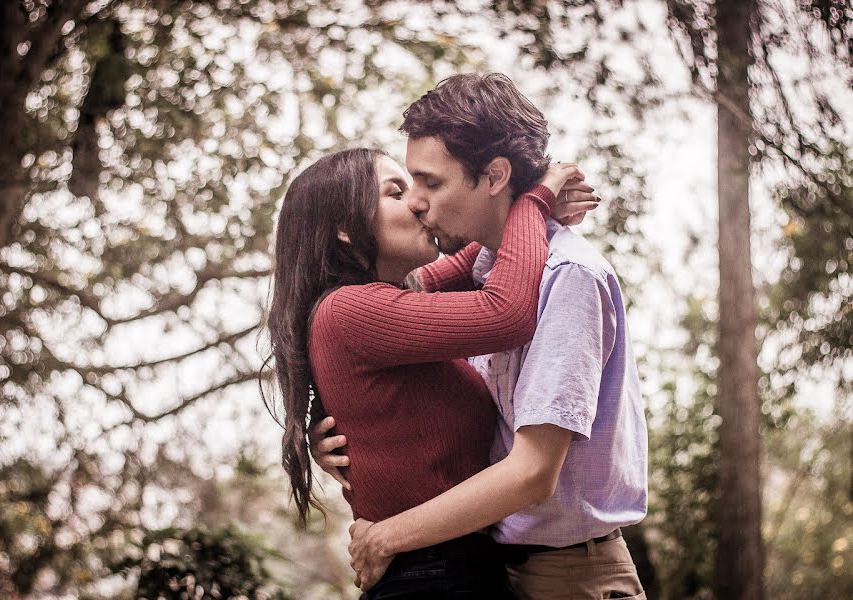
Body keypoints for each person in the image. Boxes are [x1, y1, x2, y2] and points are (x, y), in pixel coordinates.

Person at [312, 73, 648, 600]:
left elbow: (533, 471)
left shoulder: (566, 276)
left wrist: (384, 538)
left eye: (430, 183)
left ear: (493, 175)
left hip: (566, 575)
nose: (418, 203)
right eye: (403, 189)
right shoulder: (488, 269)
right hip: (495, 564)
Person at [268, 142, 595, 599]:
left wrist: (519, 205)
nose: (419, 202)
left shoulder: (388, 299)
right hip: (432, 577)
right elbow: (506, 313)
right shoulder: (351, 311)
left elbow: (481, 255)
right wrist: (536, 199)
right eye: (395, 191)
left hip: (446, 568)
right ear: (345, 229)